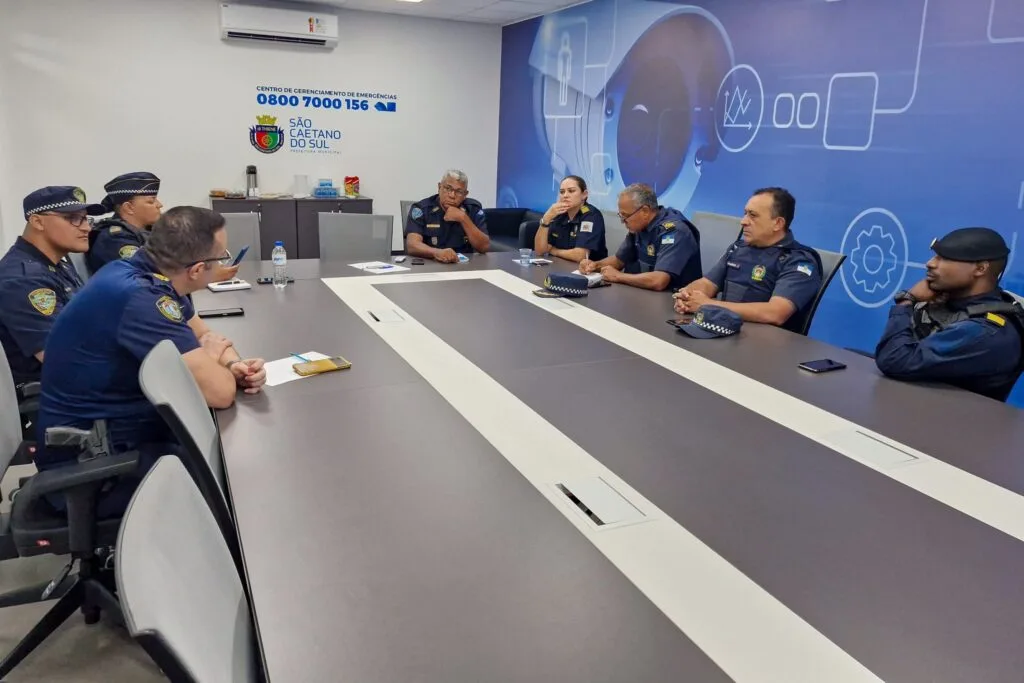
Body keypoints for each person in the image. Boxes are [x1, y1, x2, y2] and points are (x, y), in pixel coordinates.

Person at [35, 206, 267, 518]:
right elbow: (221, 393)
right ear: (198, 269)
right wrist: (215, 364)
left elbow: (205, 335)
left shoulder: (148, 272)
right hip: (96, 467)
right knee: (244, 483)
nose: (224, 262)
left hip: (126, 432)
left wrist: (233, 365)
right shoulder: (141, 298)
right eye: (221, 256)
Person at [875, 227, 1024, 401]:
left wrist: (906, 302)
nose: (930, 263)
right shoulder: (950, 303)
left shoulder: (987, 331)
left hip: (950, 415)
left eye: (944, 258)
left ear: (980, 268)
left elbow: (895, 359)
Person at [674, 187, 821, 332]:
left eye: (753, 215)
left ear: (778, 223)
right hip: (723, 329)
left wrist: (707, 305)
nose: (743, 221)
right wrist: (687, 296)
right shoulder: (738, 248)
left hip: (763, 342)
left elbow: (775, 313)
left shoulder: (799, 261)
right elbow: (707, 283)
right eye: (745, 214)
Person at [0, 186, 103, 393]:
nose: (86, 228)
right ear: (38, 222)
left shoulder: (57, 265)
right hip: (55, 393)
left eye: (86, 219)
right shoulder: (23, 279)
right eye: (73, 218)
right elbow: (63, 360)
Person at [578, 183, 700, 291]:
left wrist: (619, 276)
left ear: (645, 211)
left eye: (625, 216)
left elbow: (659, 281)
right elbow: (619, 260)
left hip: (674, 300)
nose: (622, 221)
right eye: (621, 216)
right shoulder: (639, 227)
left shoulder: (675, 231)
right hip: (642, 294)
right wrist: (595, 265)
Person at [86, 172, 163, 274]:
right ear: (129, 207)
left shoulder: (152, 232)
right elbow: (142, 275)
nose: (160, 205)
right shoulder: (115, 239)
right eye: (151, 201)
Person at [406, 169, 490, 262]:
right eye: (448, 188)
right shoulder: (422, 209)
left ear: (465, 195)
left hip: (465, 265)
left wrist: (463, 218)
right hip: (432, 263)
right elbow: (412, 246)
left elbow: (484, 247)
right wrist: (437, 252)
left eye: (459, 191)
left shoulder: (473, 209)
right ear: (439, 187)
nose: (452, 195)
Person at [534, 175, 607, 263]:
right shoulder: (558, 214)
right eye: (562, 192)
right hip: (560, 265)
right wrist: (546, 219)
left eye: (571, 191)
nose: (565, 195)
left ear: (584, 194)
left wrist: (554, 251)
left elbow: (580, 256)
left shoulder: (591, 215)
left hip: (588, 269)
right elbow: (540, 251)